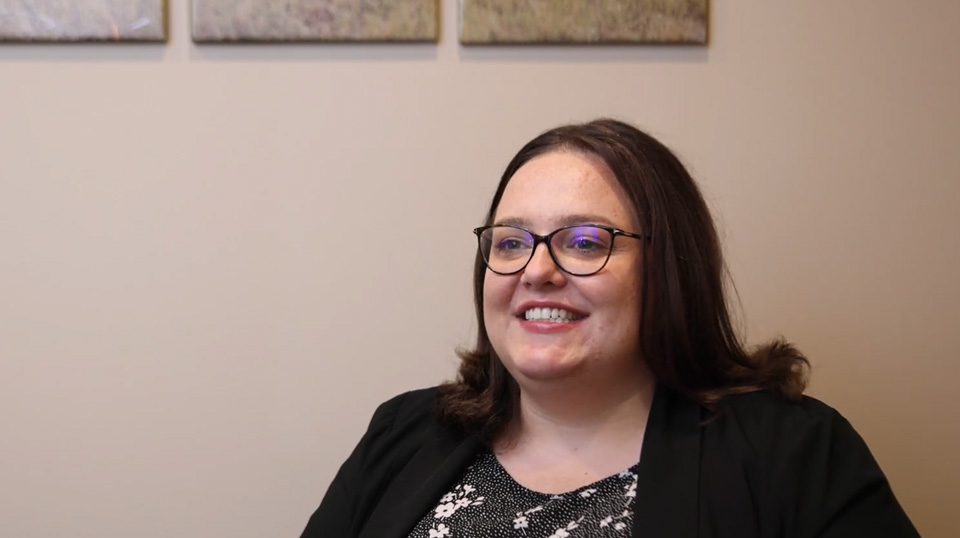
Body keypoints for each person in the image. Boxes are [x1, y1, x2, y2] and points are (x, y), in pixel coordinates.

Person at [298, 119, 919, 537]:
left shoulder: (796, 455)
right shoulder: (404, 432)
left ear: (671, 269)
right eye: (511, 242)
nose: (536, 270)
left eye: (585, 240)